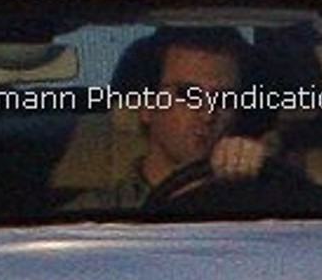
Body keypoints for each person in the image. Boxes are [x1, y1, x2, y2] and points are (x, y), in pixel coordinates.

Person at [89, 26, 268, 208]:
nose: (208, 114)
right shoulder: (92, 218)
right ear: (146, 106)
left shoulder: (263, 204)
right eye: (189, 95)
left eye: (225, 99)